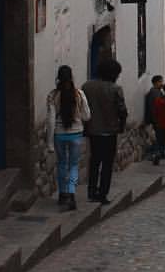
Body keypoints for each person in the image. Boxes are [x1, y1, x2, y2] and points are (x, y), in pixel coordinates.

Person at [82, 57, 127, 205]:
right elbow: (122, 110)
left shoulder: (87, 86)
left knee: (94, 161)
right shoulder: (115, 89)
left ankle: (91, 191)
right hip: (109, 131)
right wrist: (122, 126)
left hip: (93, 130)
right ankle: (102, 194)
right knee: (107, 164)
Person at [46, 65, 91, 212]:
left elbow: (51, 120)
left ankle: (62, 193)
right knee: (73, 165)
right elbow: (87, 116)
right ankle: (71, 193)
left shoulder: (52, 96)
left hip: (59, 134)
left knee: (61, 164)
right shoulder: (79, 94)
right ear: (71, 77)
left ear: (58, 77)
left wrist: (49, 142)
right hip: (76, 134)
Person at [143, 75, 165, 149]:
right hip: (156, 119)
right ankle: (157, 153)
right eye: (161, 82)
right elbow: (153, 107)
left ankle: (159, 152)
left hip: (157, 118)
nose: (162, 83)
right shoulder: (154, 93)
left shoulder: (158, 92)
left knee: (160, 136)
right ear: (156, 82)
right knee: (158, 137)